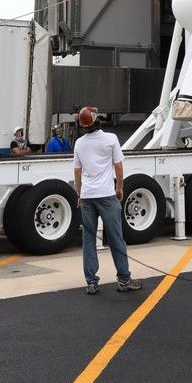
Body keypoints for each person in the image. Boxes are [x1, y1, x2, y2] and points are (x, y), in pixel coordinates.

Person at [73, 104, 142, 296]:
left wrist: (79, 194)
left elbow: (77, 172)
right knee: (115, 237)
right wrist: (119, 188)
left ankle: (91, 282)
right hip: (106, 194)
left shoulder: (79, 144)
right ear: (98, 121)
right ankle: (123, 279)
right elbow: (118, 167)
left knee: (88, 239)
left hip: (87, 196)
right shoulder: (111, 139)